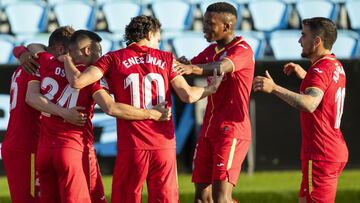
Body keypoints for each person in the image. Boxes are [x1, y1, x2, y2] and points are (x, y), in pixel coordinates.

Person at [62, 15, 223, 203]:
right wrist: (210, 89)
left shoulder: (112, 59)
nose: (158, 43)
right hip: (163, 146)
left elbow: (80, 82)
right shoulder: (166, 58)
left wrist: (67, 58)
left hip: (132, 147)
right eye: (158, 39)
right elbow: (188, 95)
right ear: (148, 34)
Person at [25, 29, 170, 203]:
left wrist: (23, 53)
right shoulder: (90, 76)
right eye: (99, 51)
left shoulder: (46, 62)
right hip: (73, 149)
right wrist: (152, 113)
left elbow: (33, 51)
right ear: (87, 51)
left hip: (44, 152)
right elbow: (110, 107)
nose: (101, 57)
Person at [253, 17, 348, 203]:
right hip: (331, 148)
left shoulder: (319, 70)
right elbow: (323, 94)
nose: (299, 40)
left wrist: (274, 88)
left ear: (317, 41)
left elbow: (309, 104)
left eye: (304, 35)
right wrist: (305, 76)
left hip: (321, 153)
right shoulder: (334, 65)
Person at [174, 2, 255, 202]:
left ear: (227, 26)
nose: (204, 27)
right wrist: (181, 64)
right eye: (204, 22)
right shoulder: (212, 50)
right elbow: (193, 65)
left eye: (210, 23)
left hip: (232, 130)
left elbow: (221, 67)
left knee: (221, 198)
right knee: (202, 198)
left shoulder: (242, 50)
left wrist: (193, 69)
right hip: (209, 129)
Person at [1, 26, 86, 203]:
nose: (73, 58)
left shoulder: (32, 61)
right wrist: (64, 113)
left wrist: (21, 51)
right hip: (28, 145)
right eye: (71, 52)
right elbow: (32, 99)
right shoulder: (43, 65)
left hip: (21, 142)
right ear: (61, 49)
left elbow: (32, 46)